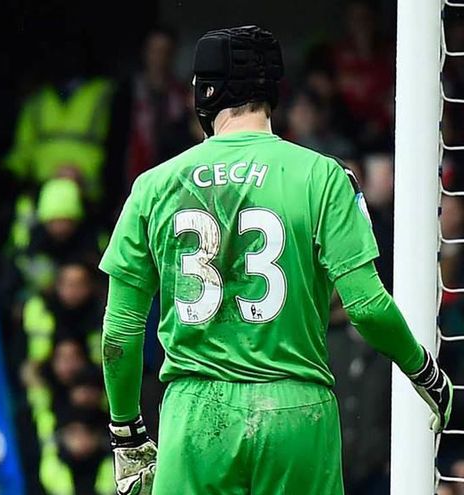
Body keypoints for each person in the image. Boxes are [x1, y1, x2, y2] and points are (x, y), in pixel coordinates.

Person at [99, 26, 453, 494]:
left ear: (203, 95)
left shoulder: (153, 186)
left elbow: (119, 334)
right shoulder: (323, 177)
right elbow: (367, 306)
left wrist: (128, 435)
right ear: (274, 91)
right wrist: (424, 371)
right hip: (296, 411)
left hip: (195, 415)